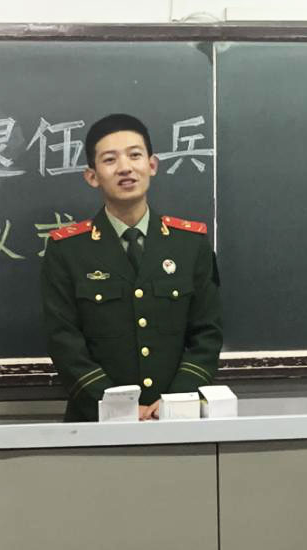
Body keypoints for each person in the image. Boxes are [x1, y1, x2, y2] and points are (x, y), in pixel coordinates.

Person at [40, 113, 223, 422]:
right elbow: (64, 342)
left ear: (152, 165)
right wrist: (118, 408)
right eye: (110, 159)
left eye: (135, 155)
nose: (125, 168)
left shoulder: (190, 245)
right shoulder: (67, 250)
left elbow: (207, 335)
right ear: (92, 176)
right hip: (95, 423)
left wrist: (174, 402)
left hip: (179, 422)